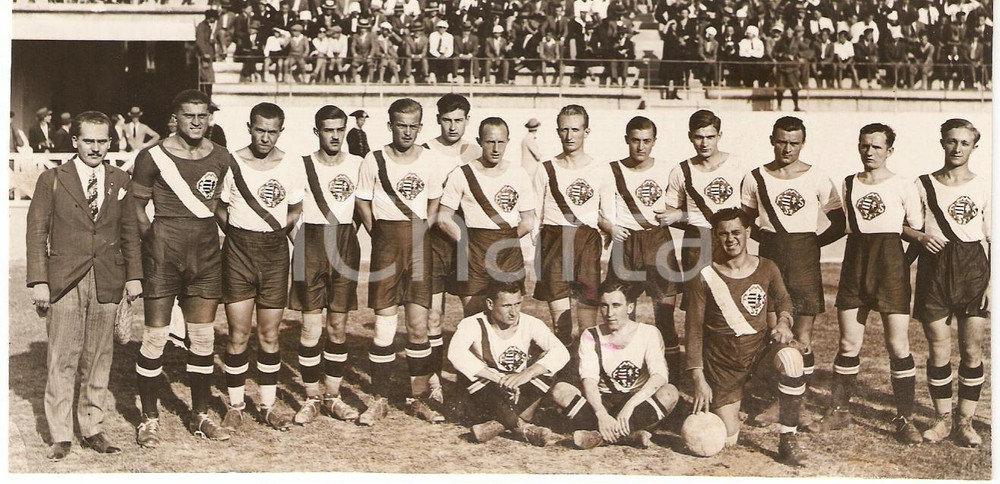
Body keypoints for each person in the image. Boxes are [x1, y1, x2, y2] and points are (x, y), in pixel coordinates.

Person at [26, 111, 143, 460]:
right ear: (75, 141)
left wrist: (134, 275)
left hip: (108, 276)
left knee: (98, 357)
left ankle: (92, 427)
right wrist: (39, 281)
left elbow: (130, 233)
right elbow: (36, 232)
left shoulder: (120, 179)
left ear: (110, 142)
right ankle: (61, 435)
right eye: (88, 140)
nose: (95, 148)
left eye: (102, 141)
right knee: (62, 357)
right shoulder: (52, 179)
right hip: (63, 279)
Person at [808, 124, 923, 444]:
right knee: (848, 344)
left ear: (889, 150)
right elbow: (844, 227)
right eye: (864, 146)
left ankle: (905, 418)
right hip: (856, 265)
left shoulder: (903, 184)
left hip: (891, 268)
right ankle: (840, 410)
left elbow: (916, 232)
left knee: (898, 345)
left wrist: (902, 265)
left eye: (876, 147)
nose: (869, 152)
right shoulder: (848, 183)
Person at [131, 89, 233, 447]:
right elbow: (136, 209)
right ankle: (148, 418)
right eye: (189, 115)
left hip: (205, 256)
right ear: (176, 116)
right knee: (156, 337)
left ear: (210, 118)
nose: (196, 122)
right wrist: (155, 243)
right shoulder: (152, 156)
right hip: (164, 255)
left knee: (203, 338)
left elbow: (221, 207)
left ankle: (201, 414)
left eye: (202, 115)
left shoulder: (221, 156)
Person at [740, 116, 844, 424]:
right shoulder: (755, 177)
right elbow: (745, 221)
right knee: (775, 332)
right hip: (770, 259)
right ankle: (775, 400)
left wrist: (812, 244)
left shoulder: (817, 177)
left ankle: (795, 403)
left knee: (803, 335)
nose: (787, 148)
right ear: (772, 139)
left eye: (794, 143)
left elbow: (840, 223)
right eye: (782, 141)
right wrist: (763, 239)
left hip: (804, 260)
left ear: (803, 143)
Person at [685, 208, 808, 467]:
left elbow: (784, 298)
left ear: (748, 233)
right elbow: (694, 329)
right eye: (723, 234)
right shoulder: (704, 275)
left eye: (736, 232)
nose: (730, 239)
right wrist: (698, 378)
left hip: (757, 352)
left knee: (792, 358)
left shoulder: (766, 267)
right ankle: (732, 405)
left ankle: (788, 440)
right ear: (716, 237)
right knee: (727, 440)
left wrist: (784, 322)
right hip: (722, 362)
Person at [355, 98, 446, 425]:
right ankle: (378, 398)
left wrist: (426, 226)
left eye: (412, 126)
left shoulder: (430, 161)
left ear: (421, 127)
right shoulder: (373, 159)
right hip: (386, 245)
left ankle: (418, 396)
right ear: (390, 125)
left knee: (419, 325)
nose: (406, 132)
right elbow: (363, 201)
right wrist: (376, 232)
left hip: (419, 244)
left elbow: (435, 199)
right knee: (384, 327)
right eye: (400, 125)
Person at [217, 102, 306, 432]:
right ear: (249, 127)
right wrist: (239, 233)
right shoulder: (232, 161)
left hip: (274, 255)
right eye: (259, 130)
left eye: (272, 131)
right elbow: (219, 206)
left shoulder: (290, 164)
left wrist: (277, 231)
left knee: (269, 335)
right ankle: (236, 405)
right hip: (239, 253)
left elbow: (296, 207)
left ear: (280, 131)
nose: (265, 137)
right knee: (238, 334)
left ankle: (267, 406)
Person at [910, 119, 990, 447]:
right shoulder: (922, 183)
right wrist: (920, 235)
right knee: (938, 349)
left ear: (974, 147)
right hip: (935, 269)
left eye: (964, 143)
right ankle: (942, 419)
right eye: (951, 141)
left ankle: (965, 422)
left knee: (972, 350)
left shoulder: (985, 185)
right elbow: (904, 225)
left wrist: (991, 284)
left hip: (973, 269)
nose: (957, 148)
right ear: (942, 142)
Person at [289, 105, 365, 424]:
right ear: (317, 132)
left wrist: (344, 241)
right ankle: (310, 398)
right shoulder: (302, 165)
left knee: (337, 326)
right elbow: (290, 211)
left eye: (339, 129)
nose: (334, 136)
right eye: (328, 130)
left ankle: (332, 396)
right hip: (311, 242)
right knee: (310, 327)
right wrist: (304, 243)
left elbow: (363, 210)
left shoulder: (359, 164)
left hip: (345, 243)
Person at [658, 110, 747, 377]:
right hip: (697, 243)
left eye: (710, 136)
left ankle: (734, 371)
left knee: (734, 307)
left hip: (731, 242)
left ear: (719, 136)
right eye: (698, 137)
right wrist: (688, 216)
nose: (704, 143)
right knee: (698, 311)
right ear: (690, 137)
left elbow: (749, 209)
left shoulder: (738, 166)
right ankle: (701, 373)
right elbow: (668, 214)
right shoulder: (681, 171)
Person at [551, 279, 680, 449]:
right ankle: (629, 435)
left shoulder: (648, 333)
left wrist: (630, 405)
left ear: (630, 307)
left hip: (637, 401)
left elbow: (659, 376)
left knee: (670, 393)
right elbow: (589, 380)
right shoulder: (591, 335)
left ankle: (600, 436)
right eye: (604, 305)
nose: (609, 313)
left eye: (616, 305)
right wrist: (601, 413)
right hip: (604, 399)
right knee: (560, 390)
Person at [603, 116, 682, 383]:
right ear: (627, 140)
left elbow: (687, 204)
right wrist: (608, 227)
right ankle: (625, 374)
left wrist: (677, 213)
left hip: (658, 242)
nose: (640, 147)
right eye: (635, 140)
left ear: (654, 142)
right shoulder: (612, 170)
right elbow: (597, 209)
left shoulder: (669, 169)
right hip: (625, 244)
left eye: (646, 141)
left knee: (665, 316)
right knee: (623, 317)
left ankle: (673, 378)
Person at [447, 281, 569, 446]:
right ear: (490, 304)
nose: (514, 312)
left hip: (519, 390)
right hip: (488, 392)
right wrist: (497, 378)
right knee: (468, 372)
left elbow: (561, 352)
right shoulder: (473, 324)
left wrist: (526, 374)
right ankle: (523, 428)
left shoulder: (531, 323)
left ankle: (498, 425)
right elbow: (455, 353)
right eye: (506, 306)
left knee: (548, 366)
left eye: (517, 304)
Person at [532, 104, 614, 345]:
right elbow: (536, 215)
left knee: (588, 323)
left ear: (586, 132)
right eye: (564, 130)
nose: (569, 136)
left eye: (575, 130)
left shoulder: (600, 169)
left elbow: (607, 215)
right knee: (561, 323)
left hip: (586, 244)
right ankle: (564, 373)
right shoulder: (545, 168)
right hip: (554, 243)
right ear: (558, 132)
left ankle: (586, 371)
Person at [437, 117, 537, 313]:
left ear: (508, 141)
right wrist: (464, 242)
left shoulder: (518, 174)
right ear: (479, 141)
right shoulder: (462, 174)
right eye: (490, 142)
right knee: (474, 317)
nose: (496, 148)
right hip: (474, 251)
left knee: (508, 316)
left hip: (508, 252)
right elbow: (443, 218)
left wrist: (505, 240)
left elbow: (529, 220)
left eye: (501, 142)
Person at [424, 94, 482, 401]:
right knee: (434, 314)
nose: (452, 126)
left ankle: (469, 376)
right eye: (447, 120)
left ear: (467, 121)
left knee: (472, 312)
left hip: (467, 238)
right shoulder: (425, 152)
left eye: (459, 120)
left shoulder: (476, 151)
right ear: (438, 120)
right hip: (433, 240)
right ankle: (434, 380)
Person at [196, 10, 219, 96]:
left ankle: (208, 98)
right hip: (204, 57)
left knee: (208, 79)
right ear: (211, 18)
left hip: (208, 56)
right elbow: (200, 41)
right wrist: (204, 53)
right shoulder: (202, 26)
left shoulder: (207, 26)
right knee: (206, 78)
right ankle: (207, 98)